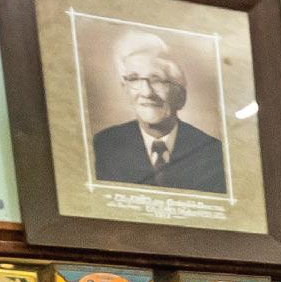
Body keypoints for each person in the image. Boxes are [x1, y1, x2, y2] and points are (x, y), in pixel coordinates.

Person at [90, 31, 227, 194]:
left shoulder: (214, 153)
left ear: (180, 96)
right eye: (134, 79)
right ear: (125, 88)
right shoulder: (102, 146)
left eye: (157, 80)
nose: (146, 92)